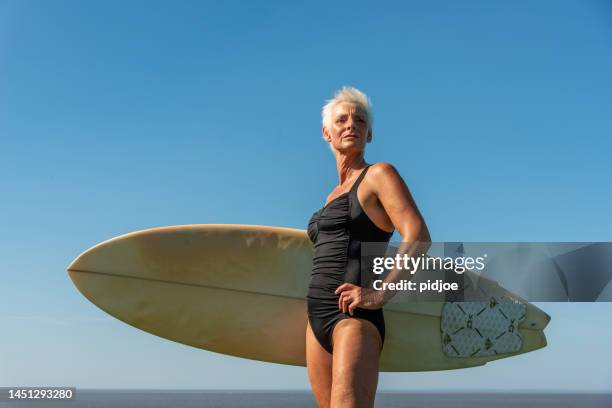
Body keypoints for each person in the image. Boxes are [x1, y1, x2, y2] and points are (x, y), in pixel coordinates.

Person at [306, 87, 431, 408]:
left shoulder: (378, 175)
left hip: (354, 317)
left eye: (360, 120)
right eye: (342, 120)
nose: (351, 125)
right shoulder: (331, 195)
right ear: (326, 132)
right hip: (316, 317)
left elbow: (417, 236)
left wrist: (379, 294)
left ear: (369, 134)